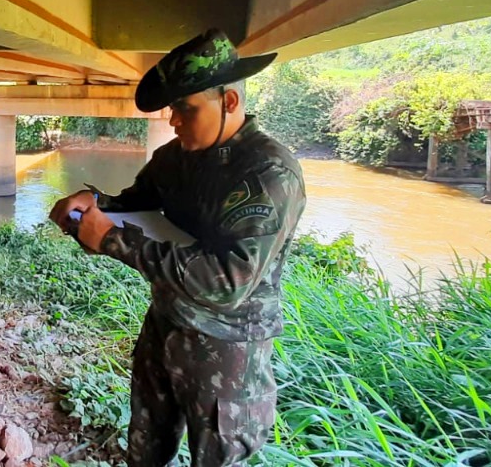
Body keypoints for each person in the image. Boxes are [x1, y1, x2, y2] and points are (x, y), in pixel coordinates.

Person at [48, 29, 306, 466]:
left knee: (216, 457)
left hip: (226, 345)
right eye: (172, 110)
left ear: (229, 103)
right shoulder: (176, 156)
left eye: (186, 109)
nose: (173, 121)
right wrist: (97, 204)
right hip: (166, 321)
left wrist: (113, 240)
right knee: (146, 444)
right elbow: (140, 203)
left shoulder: (267, 175)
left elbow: (227, 282)